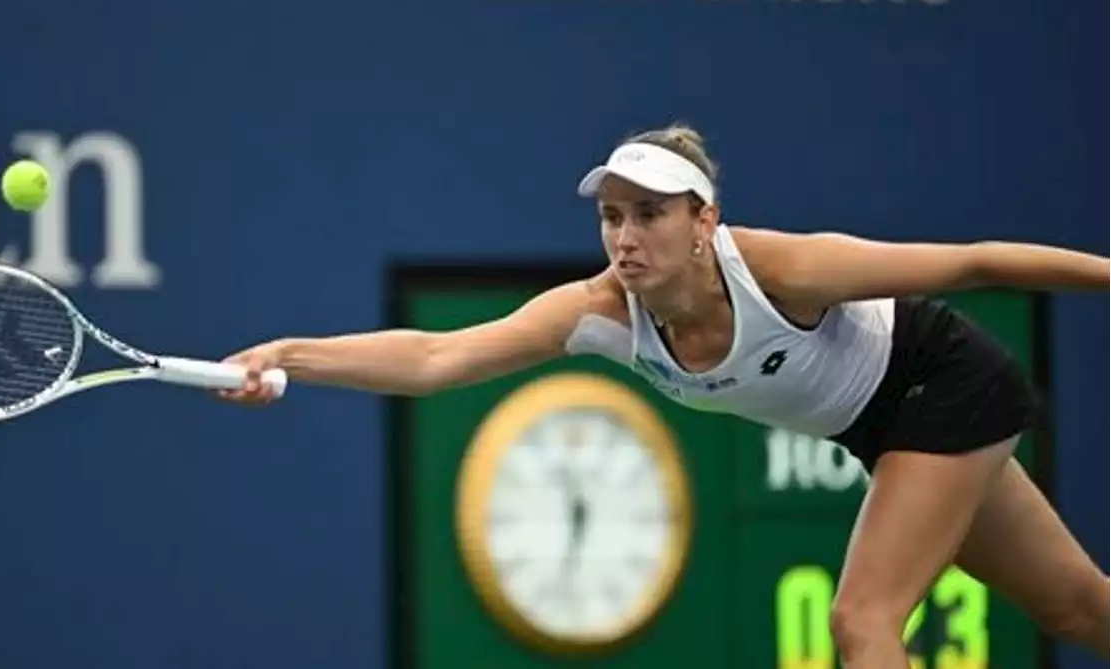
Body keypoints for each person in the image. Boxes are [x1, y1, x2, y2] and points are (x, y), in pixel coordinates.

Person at [217, 123, 1111, 667]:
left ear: (704, 222)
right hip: (877, 426)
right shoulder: (599, 310)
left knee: (860, 617)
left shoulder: (783, 269)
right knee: (1077, 608)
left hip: (939, 380)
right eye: (612, 214)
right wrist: (289, 352)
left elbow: (978, 261)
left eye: (650, 213)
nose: (626, 235)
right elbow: (437, 357)